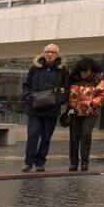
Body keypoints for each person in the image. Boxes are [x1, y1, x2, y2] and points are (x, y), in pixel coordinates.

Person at [22, 43, 68, 172]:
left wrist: (59, 101)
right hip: (34, 109)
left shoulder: (63, 70)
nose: (50, 54)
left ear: (57, 54)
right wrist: (28, 96)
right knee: (32, 135)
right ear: (44, 53)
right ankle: (28, 162)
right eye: (47, 52)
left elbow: (67, 88)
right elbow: (26, 85)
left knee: (46, 137)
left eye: (53, 52)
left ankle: (40, 162)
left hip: (52, 110)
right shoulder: (34, 68)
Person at [67, 57, 104, 172]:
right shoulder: (74, 79)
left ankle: (85, 162)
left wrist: (93, 102)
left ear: (91, 70)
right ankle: (73, 163)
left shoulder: (98, 80)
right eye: (82, 71)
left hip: (91, 113)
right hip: (75, 113)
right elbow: (67, 94)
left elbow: (103, 94)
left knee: (85, 134)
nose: (84, 74)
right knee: (74, 138)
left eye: (86, 71)